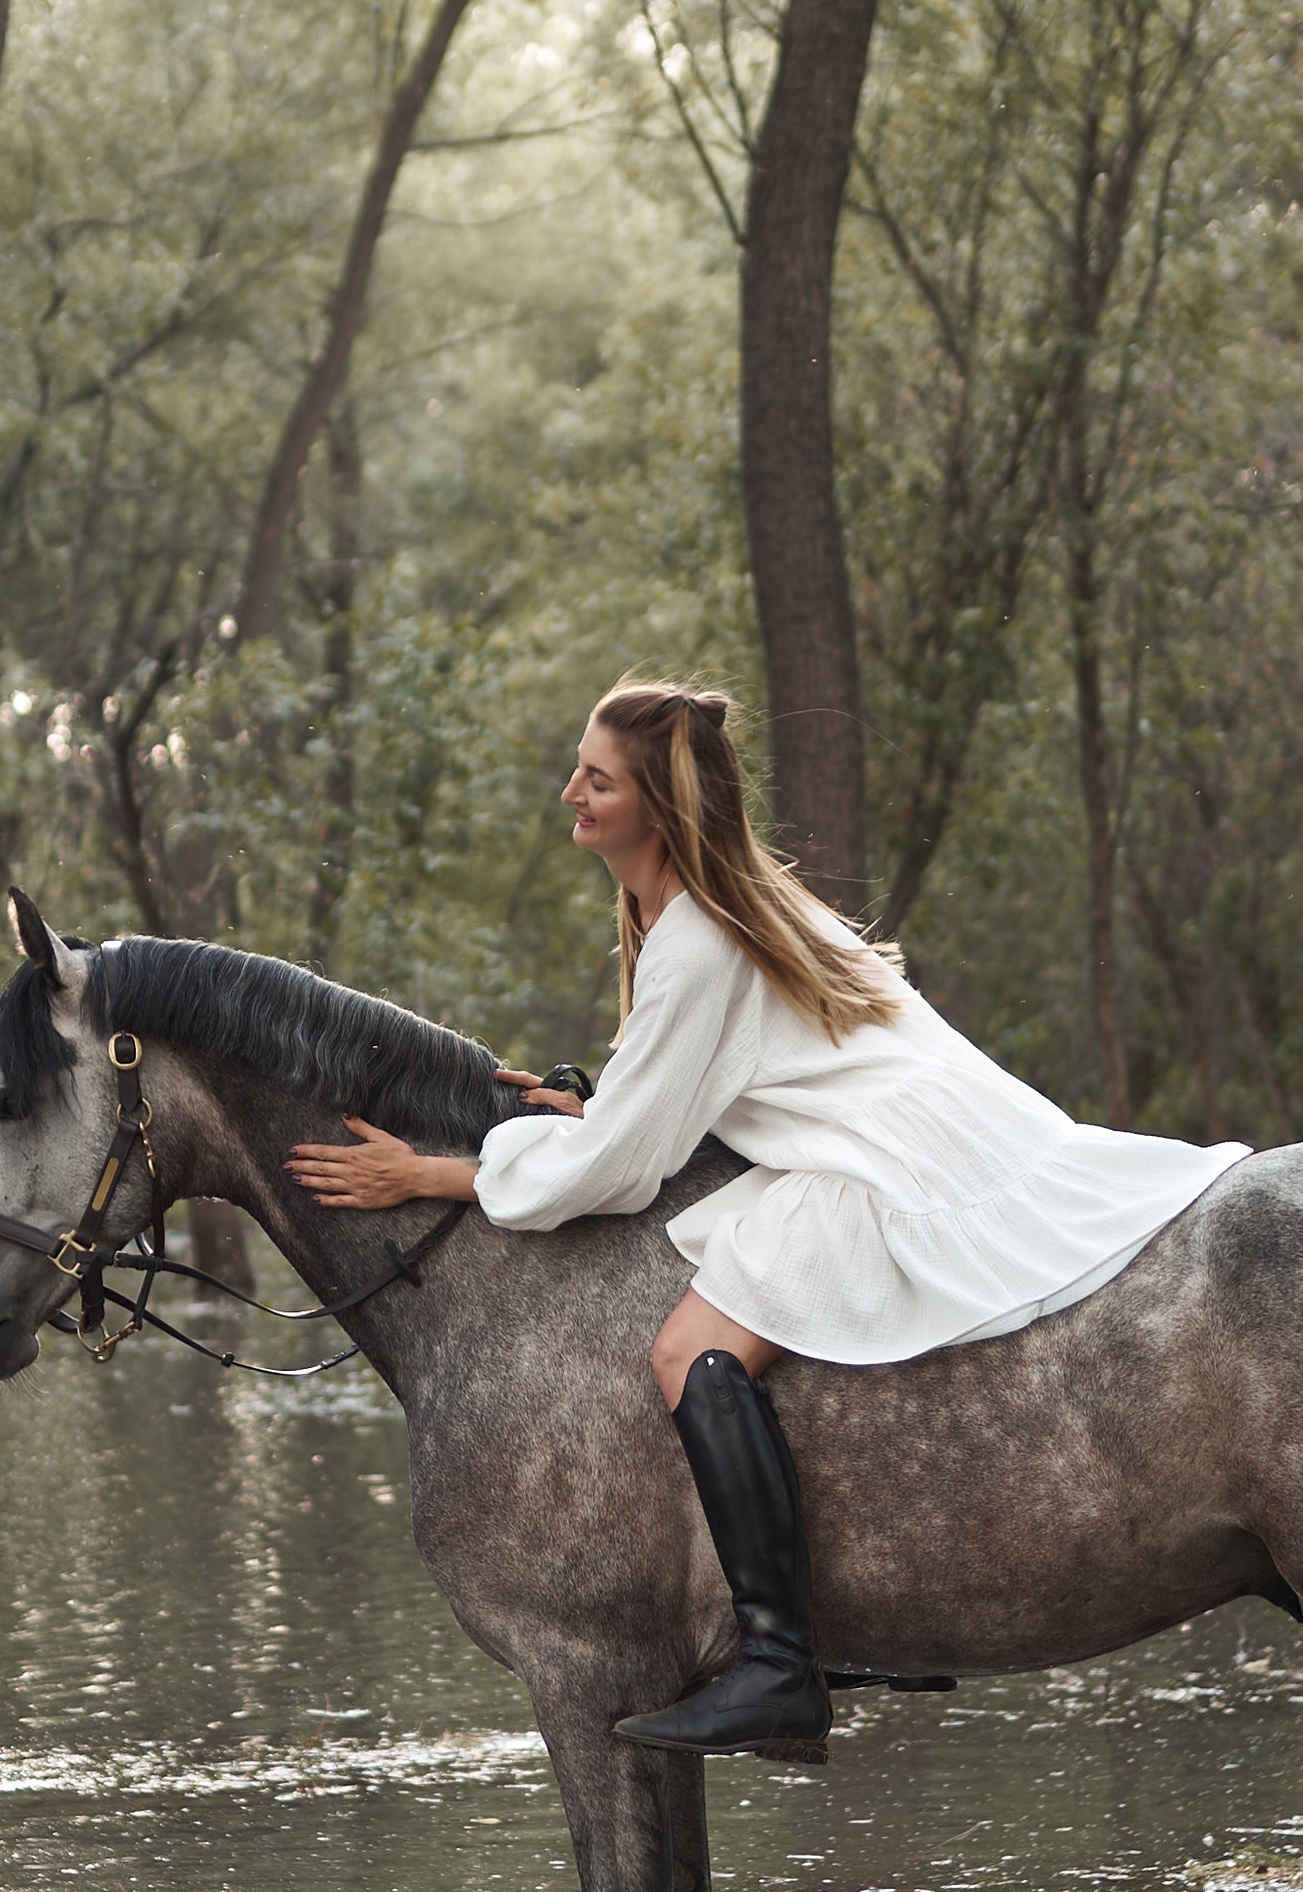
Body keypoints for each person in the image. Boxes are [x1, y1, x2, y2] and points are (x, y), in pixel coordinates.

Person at [288, 680, 1248, 1760]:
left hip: (887, 1162)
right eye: (579, 769)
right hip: (902, 1130)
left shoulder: (698, 939)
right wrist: (606, 1106)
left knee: (687, 1348)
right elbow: (707, 1093)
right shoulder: (721, 907)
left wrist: (433, 1176)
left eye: (597, 780)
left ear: (658, 806)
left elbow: (617, 1172)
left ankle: (782, 1664)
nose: (571, 793)